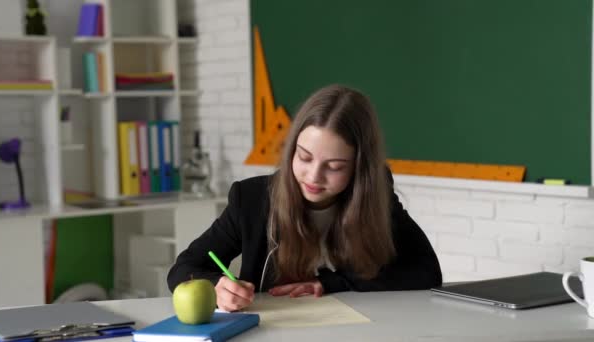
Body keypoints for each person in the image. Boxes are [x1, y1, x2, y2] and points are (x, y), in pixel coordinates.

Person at [167, 84, 442, 312]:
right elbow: (183, 269)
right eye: (304, 157)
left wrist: (335, 283)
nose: (313, 176)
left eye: (334, 167)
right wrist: (217, 287)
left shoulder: (376, 193)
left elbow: (426, 272)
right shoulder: (251, 199)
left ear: (360, 170)